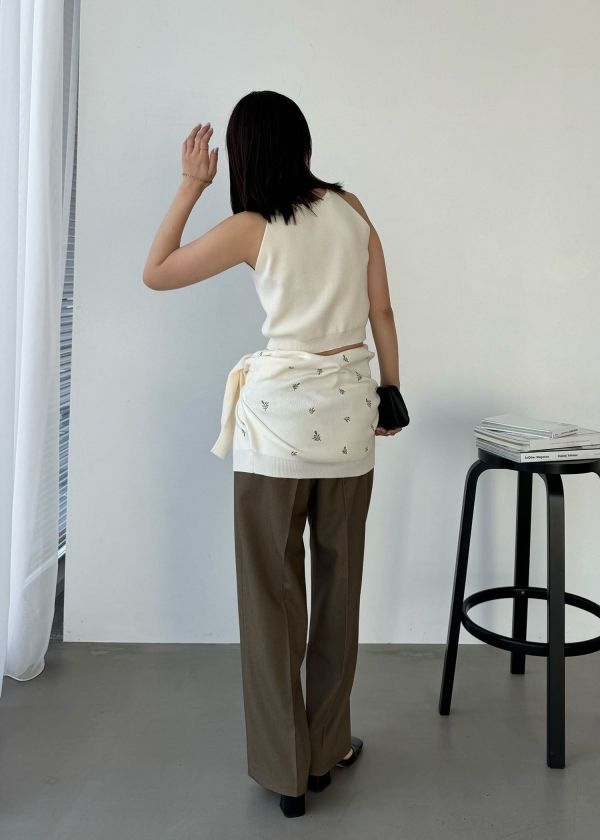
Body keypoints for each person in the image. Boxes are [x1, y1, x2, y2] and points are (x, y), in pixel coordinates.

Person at [143, 90, 404, 818]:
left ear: (245, 155)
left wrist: (190, 184)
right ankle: (327, 750)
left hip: (275, 435)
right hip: (349, 420)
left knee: (270, 601)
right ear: (303, 144)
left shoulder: (251, 227)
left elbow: (156, 271)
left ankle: (286, 772)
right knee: (339, 590)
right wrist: (392, 391)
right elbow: (381, 310)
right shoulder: (352, 211)